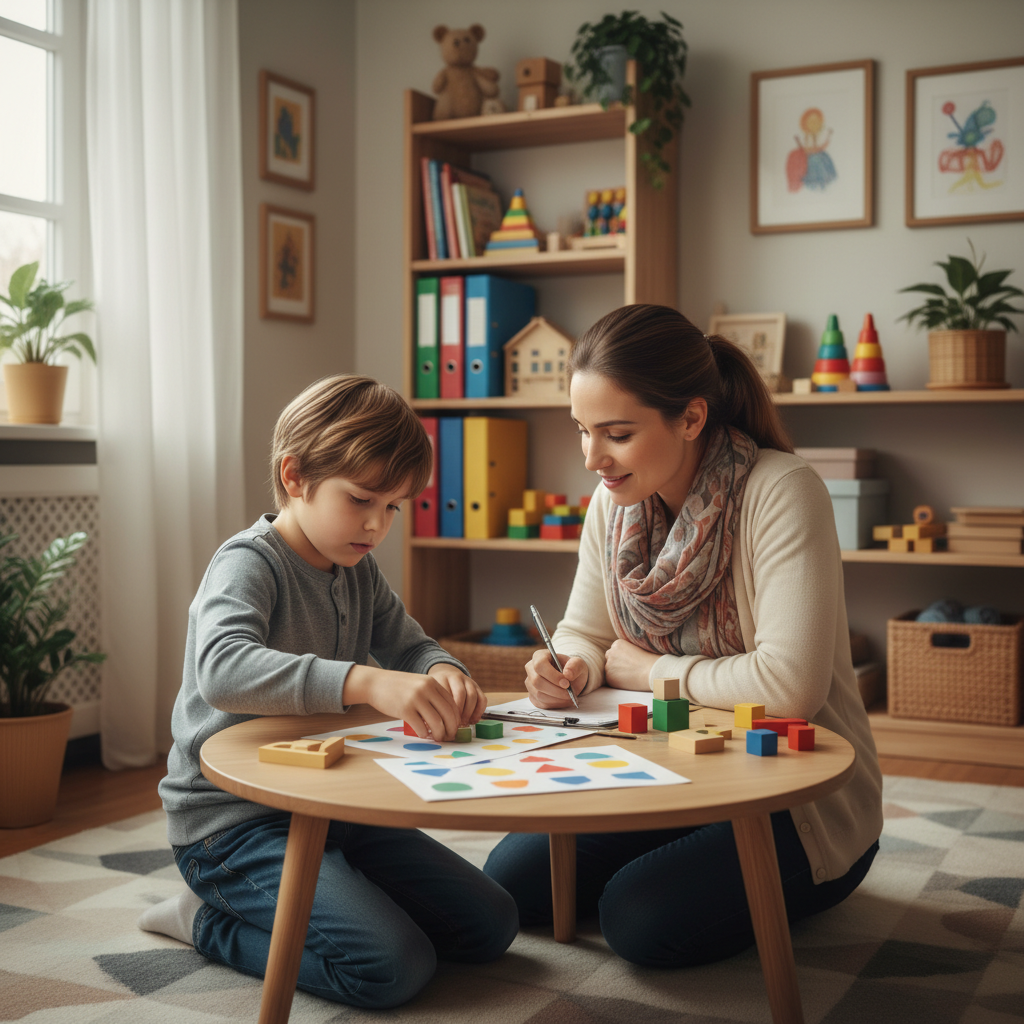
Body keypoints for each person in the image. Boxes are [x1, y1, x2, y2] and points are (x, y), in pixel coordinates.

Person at [484, 304, 882, 968]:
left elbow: (789, 687)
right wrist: (569, 668)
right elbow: (585, 632)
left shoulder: (783, 491)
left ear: (691, 417)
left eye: (615, 433)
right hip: (664, 771)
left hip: (793, 797)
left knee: (637, 921)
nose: (591, 458)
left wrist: (650, 674)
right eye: (582, 431)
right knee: (512, 882)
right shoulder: (614, 504)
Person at [142, 375, 517, 1008]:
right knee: (391, 968)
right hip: (232, 828)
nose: (377, 525)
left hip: (331, 808)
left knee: (490, 926)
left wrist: (441, 669)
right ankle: (205, 922)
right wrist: (362, 681)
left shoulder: (356, 566)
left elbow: (411, 645)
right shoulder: (248, 564)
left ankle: (335, 894)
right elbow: (223, 668)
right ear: (295, 477)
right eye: (362, 499)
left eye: (394, 506)